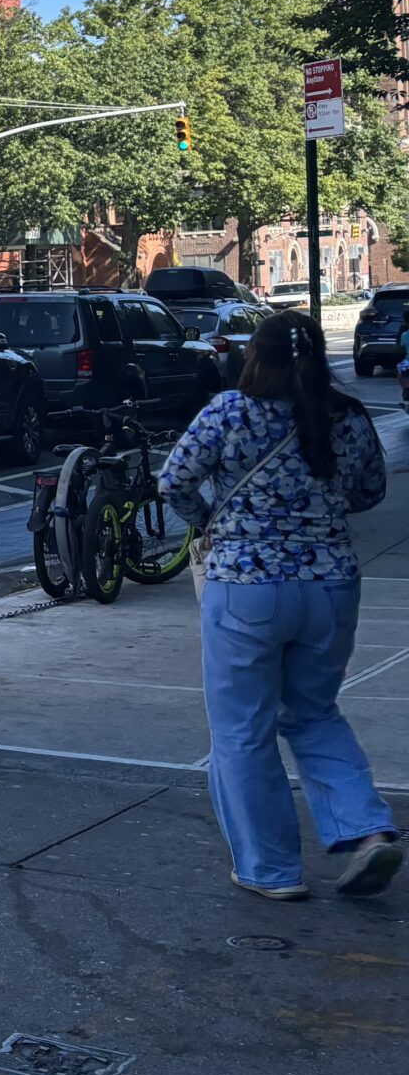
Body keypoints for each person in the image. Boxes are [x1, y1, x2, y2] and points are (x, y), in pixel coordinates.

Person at [160, 311, 401, 901]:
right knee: (314, 713)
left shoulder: (228, 412)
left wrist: (209, 523)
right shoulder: (347, 416)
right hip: (331, 584)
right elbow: (370, 491)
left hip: (246, 585)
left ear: (255, 357)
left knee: (242, 730)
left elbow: (173, 482)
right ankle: (367, 831)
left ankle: (269, 869)